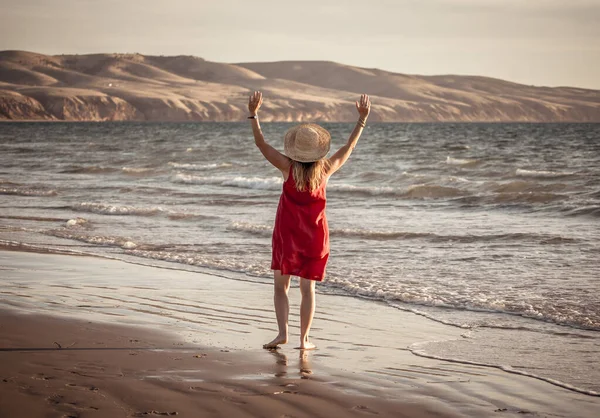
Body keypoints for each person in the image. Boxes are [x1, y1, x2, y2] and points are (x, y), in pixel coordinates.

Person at [248, 91, 371, 350]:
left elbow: (261, 144)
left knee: (281, 287)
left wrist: (254, 114)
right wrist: (361, 120)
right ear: (318, 150)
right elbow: (349, 147)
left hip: (288, 233)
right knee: (308, 290)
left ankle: (283, 334)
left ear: (294, 149)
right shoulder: (325, 169)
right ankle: (304, 340)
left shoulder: (286, 167)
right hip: (315, 236)